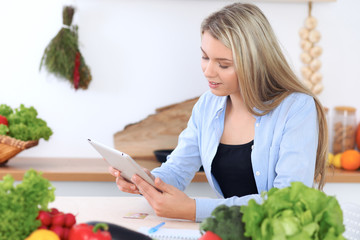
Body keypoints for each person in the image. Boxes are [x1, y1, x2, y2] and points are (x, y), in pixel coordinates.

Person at [109, 3, 328, 222]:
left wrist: (193, 209)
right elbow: (177, 170)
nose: (208, 71)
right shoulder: (207, 105)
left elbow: (288, 202)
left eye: (223, 64)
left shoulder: (297, 108)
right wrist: (144, 181)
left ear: (255, 63)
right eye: (205, 57)